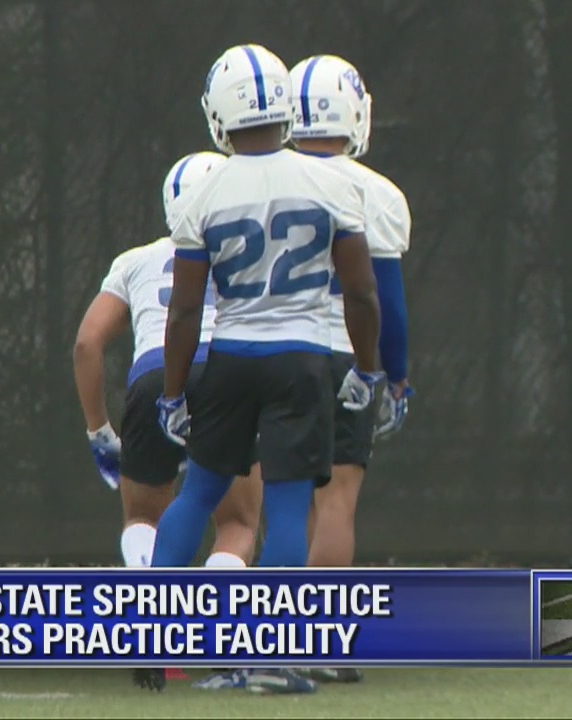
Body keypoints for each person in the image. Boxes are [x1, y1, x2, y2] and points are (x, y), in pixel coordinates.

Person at [141, 43, 385, 694]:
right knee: (286, 504)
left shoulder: (207, 190)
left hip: (231, 356)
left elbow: (188, 308)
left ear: (218, 115)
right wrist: (367, 368)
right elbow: (361, 294)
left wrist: (172, 394)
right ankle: (271, 654)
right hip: (301, 359)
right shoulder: (333, 184)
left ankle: (150, 633)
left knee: (198, 492)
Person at [286, 53, 414, 685]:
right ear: (356, 112)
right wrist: (397, 374)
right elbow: (384, 299)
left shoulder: (250, 179)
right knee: (336, 502)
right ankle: (319, 642)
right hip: (343, 354)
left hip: (265, 354)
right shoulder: (376, 192)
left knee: (278, 501)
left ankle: (262, 639)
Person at [73, 150, 261, 575]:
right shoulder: (253, 258)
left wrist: (99, 430)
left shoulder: (135, 261)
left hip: (155, 378)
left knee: (143, 519)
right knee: (236, 523)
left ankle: (148, 601)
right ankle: (216, 617)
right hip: (227, 376)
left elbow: (87, 343)